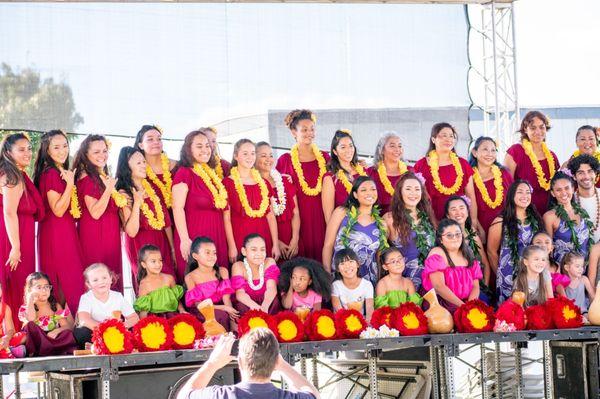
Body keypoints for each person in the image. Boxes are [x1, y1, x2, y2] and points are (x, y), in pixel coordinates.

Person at [176, 329, 319, 399]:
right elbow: (314, 395)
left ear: (239, 362)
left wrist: (212, 363)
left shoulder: (221, 395)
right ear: (275, 361)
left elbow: (183, 396)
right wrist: (283, 365)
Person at [33, 129, 85, 313]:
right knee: (65, 277)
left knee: (68, 279)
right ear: (47, 150)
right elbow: (58, 209)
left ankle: (68, 327)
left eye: (65, 145)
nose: (62, 150)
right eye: (56, 147)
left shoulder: (59, 171)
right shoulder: (51, 174)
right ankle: (65, 328)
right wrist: (70, 184)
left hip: (63, 229)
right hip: (57, 232)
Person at [116, 146, 176, 291]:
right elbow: (131, 231)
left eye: (144, 162)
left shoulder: (152, 189)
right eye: (139, 163)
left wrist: (173, 248)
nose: (144, 165)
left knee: (169, 285)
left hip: (162, 243)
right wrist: (137, 203)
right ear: (127, 167)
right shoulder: (124, 193)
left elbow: (166, 222)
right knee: (150, 290)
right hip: (140, 246)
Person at [0, 133, 44, 327]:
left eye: (29, 148)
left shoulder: (15, 173)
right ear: (8, 152)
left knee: (19, 284)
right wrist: (16, 247)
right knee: (15, 283)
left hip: (20, 234)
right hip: (12, 238)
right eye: (21, 149)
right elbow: (9, 213)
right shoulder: (10, 175)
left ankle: (15, 333)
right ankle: (13, 333)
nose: (27, 153)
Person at [172, 130, 228, 280]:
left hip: (216, 235)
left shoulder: (211, 174)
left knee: (219, 282)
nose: (205, 150)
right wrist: (184, 239)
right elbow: (177, 208)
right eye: (199, 146)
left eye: (207, 145)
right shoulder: (184, 173)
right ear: (188, 149)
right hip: (194, 236)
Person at [276, 109, 330, 261]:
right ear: (294, 132)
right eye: (304, 130)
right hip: (297, 221)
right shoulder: (284, 160)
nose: (309, 133)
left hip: (321, 219)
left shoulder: (325, 158)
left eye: (312, 129)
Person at [73, 135, 124, 292]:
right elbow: (95, 212)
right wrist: (109, 189)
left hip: (110, 236)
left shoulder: (100, 175)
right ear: (85, 154)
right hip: (95, 236)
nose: (102, 155)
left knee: (111, 276)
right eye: (96, 152)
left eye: (104, 150)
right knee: (99, 277)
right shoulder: (86, 177)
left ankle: (114, 315)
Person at [323, 176, 387, 286]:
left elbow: (378, 257)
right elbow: (328, 245)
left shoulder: (381, 224)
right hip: (340, 278)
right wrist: (326, 274)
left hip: (368, 281)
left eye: (373, 189)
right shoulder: (341, 212)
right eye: (363, 190)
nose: (369, 193)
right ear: (355, 194)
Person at [223, 139, 280, 262]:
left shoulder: (263, 183)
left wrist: (275, 243)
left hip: (263, 237)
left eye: (253, 153)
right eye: (245, 153)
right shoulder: (228, 183)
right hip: (240, 237)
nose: (250, 157)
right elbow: (226, 218)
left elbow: (270, 216)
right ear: (235, 156)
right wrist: (232, 246)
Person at [487, 180, 543, 304]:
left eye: (528, 192)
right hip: (508, 275)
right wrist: (502, 274)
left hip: (531, 274)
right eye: (520, 192)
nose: (525, 196)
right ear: (512, 195)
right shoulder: (500, 221)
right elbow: (491, 251)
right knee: (510, 313)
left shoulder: (535, 219)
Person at [413, 122, 478, 226]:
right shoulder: (421, 165)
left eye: (451, 136)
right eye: (443, 136)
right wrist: (433, 223)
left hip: (459, 222)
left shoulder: (463, 164)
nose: (448, 139)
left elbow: (470, 196)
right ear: (433, 139)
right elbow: (420, 198)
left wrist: (474, 223)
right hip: (430, 222)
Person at [384, 172, 436, 292]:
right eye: (408, 189)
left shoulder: (427, 217)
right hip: (404, 282)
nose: (413, 193)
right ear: (400, 192)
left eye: (417, 189)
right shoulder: (389, 219)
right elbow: (382, 252)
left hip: (430, 280)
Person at [504, 111, 559, 215]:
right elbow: (507, 186)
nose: (538, 132)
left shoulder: (552, 156)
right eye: (533, 128)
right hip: (523, 212)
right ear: (525, 129)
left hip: (549, 212)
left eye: (542, 127)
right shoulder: (515, 151)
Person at [422, 219, 483, 312]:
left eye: (458, 234)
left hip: (467, 302)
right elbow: (439, 287)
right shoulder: (437, 254)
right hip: (442, 303)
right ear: (440, 239)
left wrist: (470, 306)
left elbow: (475, 286)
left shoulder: (468, 254)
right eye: (449, 235)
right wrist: (463, 307)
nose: (455, 238)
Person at [73, 263, 139, 349]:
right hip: (96, 331)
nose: (101, 282)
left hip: (115, 332)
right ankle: (97, 346)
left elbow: (134, 318)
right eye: (95, 280)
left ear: (111, 279)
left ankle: (104, 346)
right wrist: (105, 330)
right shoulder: (86, 298)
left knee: (134, 330)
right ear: (89, 284)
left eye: (104, 278)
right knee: (81, 332)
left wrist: (121, 327)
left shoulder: (117, 296)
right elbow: (84, 319)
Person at [255, 142, 300, 260]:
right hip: (269, 240)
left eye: (270, 155)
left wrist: (295, 239)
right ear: (254, 158)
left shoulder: (285, 180)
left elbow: (296, 212)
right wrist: (277, 242)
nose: (268, 159)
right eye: (263, 155)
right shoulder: (254, 185)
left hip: (292, 239)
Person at [184, 237, 237, 331]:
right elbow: (198, 305)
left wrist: (232, 317)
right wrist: (224, 308)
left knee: (235, 314)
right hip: (203, 311)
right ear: (195, 256)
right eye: (207, 252)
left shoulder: (222, 271)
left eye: (214, 253)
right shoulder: (190, 277)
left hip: (222, 308)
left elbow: (227, 299)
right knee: (220, 315)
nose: (212, 256)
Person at [19, 272, 77, 357]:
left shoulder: (55, 306)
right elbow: (30, 319)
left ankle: (53, 350)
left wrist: (56, 331)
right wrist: (30, 299)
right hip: (38, 344)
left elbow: (67, 326)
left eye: (47, 286)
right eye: (39, 287)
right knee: (29, 325)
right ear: (30, 290)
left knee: (67, 334)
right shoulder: (26, 307)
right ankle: (34, 352)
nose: (44, 290)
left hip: (53, 341)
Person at [543, 171, 591, 265]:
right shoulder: (549, 217)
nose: (564, 193)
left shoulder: (581, 211)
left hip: (583, 268)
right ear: (553, 193)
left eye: (567, 188)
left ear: (573, 189)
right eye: (558, 190)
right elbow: (547, 249)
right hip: (563, 271)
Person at [469, 136, 513, 235]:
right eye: (485, 149)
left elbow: (513, 200)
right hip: (482, 228)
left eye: (493, 150)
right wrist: (477, 228)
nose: (490, 154)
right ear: (474, 152)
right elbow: (469, 205)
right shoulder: (469, 177)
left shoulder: (504, 173)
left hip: (506, 225)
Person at [444, 195, 491, 288]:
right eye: (453, 209)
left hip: (478, 287)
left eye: (462, 208)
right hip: (455, 288)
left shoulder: (472, 233)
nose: (458, 212)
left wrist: (485, 287)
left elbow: (485, 264)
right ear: (448, 215)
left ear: (467, 212)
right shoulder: (444, 236)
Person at [321, 130, 367, 223]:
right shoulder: (330, 178)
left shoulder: (364, 172)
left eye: (351, 145)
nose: (348, 150)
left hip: (366, 225)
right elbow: (329, 218)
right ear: (335, 151)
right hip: (345, 232)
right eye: (343, 147)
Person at [231, 234, 280, 315]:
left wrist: (264, 307)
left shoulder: (269, 262)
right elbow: (240, 294)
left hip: (266, 303)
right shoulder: (238, 266)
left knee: (274, 301)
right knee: (241, 306)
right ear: (244, 251)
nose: (259, 253)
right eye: (254, 250)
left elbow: (271, 288)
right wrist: (257, 308)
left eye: (262, 249)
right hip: (248, 304)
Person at [133, 124, 177, 211]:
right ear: (141, 145)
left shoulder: (177, 166)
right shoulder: (137, 171)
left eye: (159, 139)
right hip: (155, 222)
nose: (156, 142)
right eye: (150, 139)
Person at [134, 245, 185, 319]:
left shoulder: (169, 278)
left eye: (160, 260)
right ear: (144, 264)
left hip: (173, 316)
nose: (158, 264)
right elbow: (143, 310)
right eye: (153, 261)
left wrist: (182, 310)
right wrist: (143, 326)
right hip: (155, 320)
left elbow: (177, 299)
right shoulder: (144, 284)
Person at [368, 132, 412, 215]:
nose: (397, 149)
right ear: (382, 150)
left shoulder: (410, 172)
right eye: (392, 146)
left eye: (400, 146)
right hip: (378, 221)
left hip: (407, 220)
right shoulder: (370, 173)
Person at [331, 248, 374, 322]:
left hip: (361, 322)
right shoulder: (335, 286)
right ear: (337, 269)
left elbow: (370, 309)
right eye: (342, 264)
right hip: (342, 322)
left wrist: (367, 324)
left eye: (351, 262)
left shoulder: (367, 285)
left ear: (358, 264)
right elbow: (338, 310)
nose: (347, 266)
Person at [569, 154, 600, 244]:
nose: (586, 176)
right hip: (579, 254)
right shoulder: (569, 200)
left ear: (596, 174)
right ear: (574, 177)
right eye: (580, 173)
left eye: (590, 171)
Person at [532, 231, 568, 297]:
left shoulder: (556, 266)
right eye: (538, 242)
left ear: (551, 248)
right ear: (531, 247)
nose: (543, 245)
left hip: (552, 300)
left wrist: (565, 300)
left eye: (547, 242)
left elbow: (559, 287)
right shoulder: (529, 265)